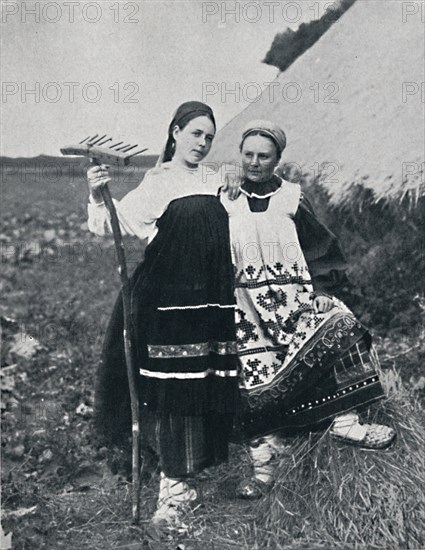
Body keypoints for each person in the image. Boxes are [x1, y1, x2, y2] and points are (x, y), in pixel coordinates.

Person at [220, 120, 396, 499]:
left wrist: (321, 289)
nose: (254, 162)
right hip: (247, 308)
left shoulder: (292, 197)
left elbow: (321, 248)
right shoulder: (225, 197)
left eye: (263, 156)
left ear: (277, 159)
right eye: (247, 154)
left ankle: (344, 422)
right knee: (252, 376)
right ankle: (265, 467)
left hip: (295, 301)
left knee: (339, 323)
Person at [86, 101, 240, 526]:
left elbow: (235, 229)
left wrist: (232, 193)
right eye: (195, 134)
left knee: (205, 380)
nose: (203, 143)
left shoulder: (215, 180)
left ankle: (190, 477)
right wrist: (98, 194)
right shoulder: (158, 182)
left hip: (210, 299)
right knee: (175, 387)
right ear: (175, 132)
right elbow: (110, 225)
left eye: (209, 137)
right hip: (166, 301)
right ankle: (171, 491)